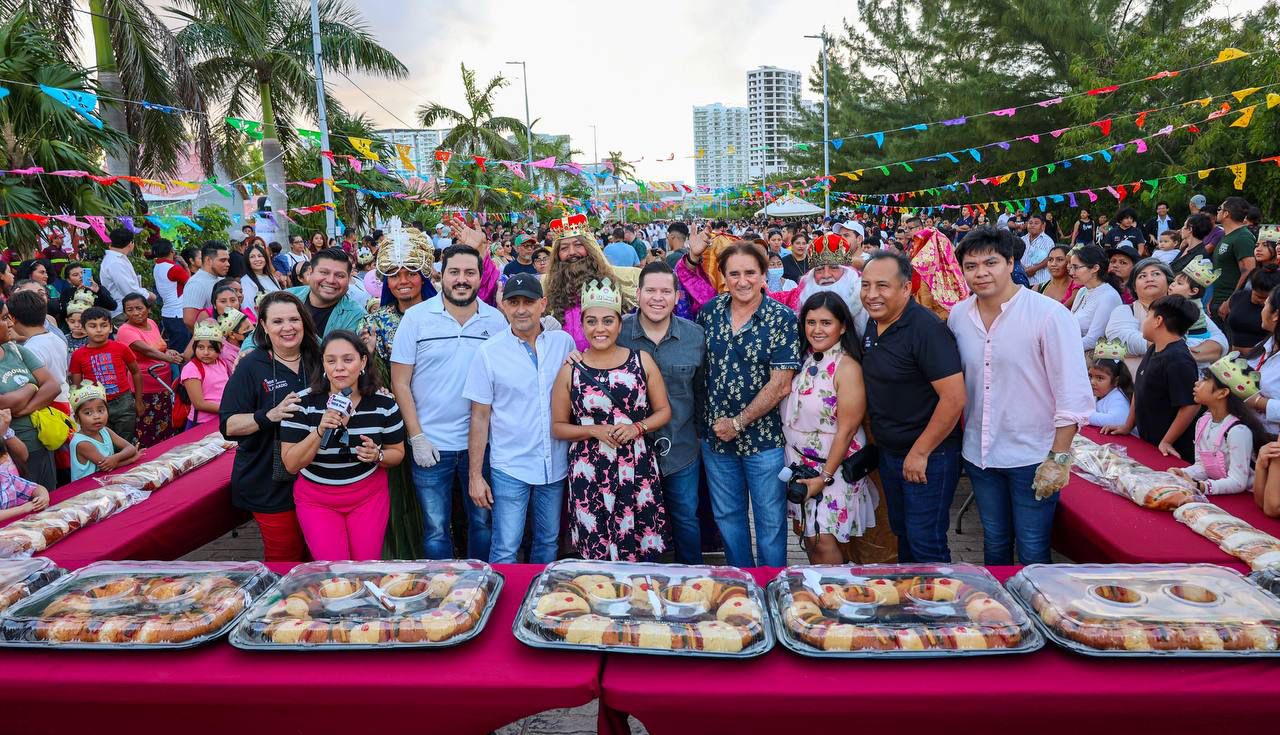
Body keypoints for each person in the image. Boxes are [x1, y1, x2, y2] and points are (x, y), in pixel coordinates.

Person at [949, 227, 1093, 565]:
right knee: (995, 541)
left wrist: (1058, 458)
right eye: (971, 266)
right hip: (980, 454)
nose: (981, 273)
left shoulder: (1049, 315)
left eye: (991, 263)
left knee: (1032, 548)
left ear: (1011, 262)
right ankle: (999, 615)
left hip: (1032, 456)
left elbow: (1072, 392)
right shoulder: (959, 316)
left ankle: (1035, 613)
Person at [391, 244, 506, 560]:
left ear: (480, 277)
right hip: (431, 445)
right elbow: (400, 382)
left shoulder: (496, 322)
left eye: (470, 272)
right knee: (436, 528)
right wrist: (416, 438)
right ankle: (442, 596)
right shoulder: (416, 319)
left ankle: (482, 586)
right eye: (454, 272)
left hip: (480, 447)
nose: (461, 279)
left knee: (482, 523)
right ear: (441, 276)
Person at [552, 278, 672, 561]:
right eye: (591, 321)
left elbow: (664, 411)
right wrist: (594, 430)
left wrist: (636, 427)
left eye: (608, 321)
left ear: (620, 324)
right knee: (597, 544)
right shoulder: (571, 368)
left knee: (638, 542)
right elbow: (557, 426)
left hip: (635, 463)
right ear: (582, 325)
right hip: (589, 469)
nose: (600, 329)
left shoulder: (641, 361)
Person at [695, 242, 798, 567]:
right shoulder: (709, 313)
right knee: (728, 517)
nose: (742, 281)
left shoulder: (781, 318)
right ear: (724, 276)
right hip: (716, 442)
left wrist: (738, 423)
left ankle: (771, 586)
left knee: (770, 522)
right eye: (734, 273)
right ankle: (743, 588)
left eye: (750, 273)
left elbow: (780, 384)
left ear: (764, 274)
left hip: (764, 442)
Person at [860, 251, 965, 563]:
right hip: (891, 454)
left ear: (906, 289)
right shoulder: (873, 322)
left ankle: (939, 609)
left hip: (929, 456)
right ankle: (912, 604)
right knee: (903, 535)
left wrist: (920, 453)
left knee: (926, 543)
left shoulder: (926, 330)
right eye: (865, 286)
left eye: (882, 286)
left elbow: (954, 398)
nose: (872, 294)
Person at [464, 273, 575, 564]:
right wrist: (475, 476)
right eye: (514, 302)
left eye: (529, 301)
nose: (521, 309)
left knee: (548, 542)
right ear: (503, 306)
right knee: (505, 547)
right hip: (510, 466)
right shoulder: (489, 353)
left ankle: (539, 605)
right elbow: (479, 417)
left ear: (543, 304)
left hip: (554, 463)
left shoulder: (563, 344)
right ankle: (506, 606)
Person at [280, 331, 405, 561]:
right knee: (334, 570)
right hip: (316, 500)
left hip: (368, 496)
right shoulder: (301, 403)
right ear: (323, 364)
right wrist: (320, 430)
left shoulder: (384, 404)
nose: (339, 367)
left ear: (363, 361)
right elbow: (290, 464)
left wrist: (377, 455)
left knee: (365, 567)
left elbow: (397, 453)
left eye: (348, 360)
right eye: (331, 360)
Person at [220, 291, 321, 561]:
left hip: (317, 476)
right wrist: (269, 415)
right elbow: (228, 424)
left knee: (319, 552)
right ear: (263, 325)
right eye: (277, 322)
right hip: (269, 480)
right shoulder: (251, 366)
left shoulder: (319, 357)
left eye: (294, 319)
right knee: (285, 555)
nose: (287, 327)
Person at [618, 262, 707, 564]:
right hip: (630, 452)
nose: (658, 298)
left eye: (665, 291)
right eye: (651, 291)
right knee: (635, 522)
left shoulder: (695, 336)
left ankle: (693, 583)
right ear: (638, 293)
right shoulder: (617, 333)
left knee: (685, 518)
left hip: (681, 448)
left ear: (677, 296)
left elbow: (700, 392)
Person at [782, 291, 877, 564]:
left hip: (833, 466)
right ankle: (820, 595)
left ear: (843, 326)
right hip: (799, 462)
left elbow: (847, 430)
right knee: (810, 538)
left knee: (824, 540)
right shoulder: (801, 359)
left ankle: (833, 597)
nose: (817, 329)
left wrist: (824, 477)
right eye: (811, 322)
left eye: (826, 322)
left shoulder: (847, 367)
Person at [1102, 295, 1201, 459]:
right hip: (1148, 440)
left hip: (1170, 450)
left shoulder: (1178, 359)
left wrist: (1167, 441)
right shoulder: (1154, 348)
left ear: (1158, 321)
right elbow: (1139, 388)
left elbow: (1190, 405)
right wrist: (1128, 426)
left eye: (1148, 316)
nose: (1144, 321)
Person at [1170, 354, 1269, 496]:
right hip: (1222, 493)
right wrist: (1182, 473)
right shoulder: (1203, 422)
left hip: (1246, 499)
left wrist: (1201, 486)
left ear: (1222, 393)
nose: (1197, 383)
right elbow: (1203, 466)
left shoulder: (1238, 431)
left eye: (1205, 379)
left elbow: (1238, 482)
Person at [544, 214, 638, 350]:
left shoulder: (609, 282)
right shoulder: (550, 287)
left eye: (578, 245)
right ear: (557, 256)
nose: (572, 252)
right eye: (564, 248)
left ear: (589, 249)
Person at [245, 248, 366, 350]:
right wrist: (247, 350)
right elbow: (257, 335)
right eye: (324, 272)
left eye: (340, 275)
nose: (330, 280)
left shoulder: (356, 315)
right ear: (310, 273)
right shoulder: (287, 297)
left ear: (349, 279)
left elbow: (336, 356)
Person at [116, 293, 182, 446]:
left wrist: (170, 352)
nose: (135, 313)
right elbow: (148, 351)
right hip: (144, 388)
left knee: (164, 424)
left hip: (163, 383)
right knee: (146, 428)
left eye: (139, 308)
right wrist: (169, 359)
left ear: (148, 309)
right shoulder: (125, 330)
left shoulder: (152, 323)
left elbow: (159, 347)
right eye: (130, 310)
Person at [68, 307, 141, 444]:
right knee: (103, 440)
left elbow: (136, 372)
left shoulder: (121, 348)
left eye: (103, 325)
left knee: (126, 439)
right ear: (83, 329)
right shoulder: (78, 355)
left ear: (111, 327)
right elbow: (76, 386)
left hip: (123, 401)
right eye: (92, 326)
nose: (99, 330)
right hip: (95, 404)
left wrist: (138, 400)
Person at [7, 291, 69, 416]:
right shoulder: (56, 337)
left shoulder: (30, 349)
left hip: (49, 406)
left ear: (13, 319)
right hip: (64, 398)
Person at [67, 381, 139, 482]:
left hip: (105, 480)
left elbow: (131, 448)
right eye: (88, 413)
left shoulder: (106, 431)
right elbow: (107, 466)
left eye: (101, 411)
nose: (97, 416)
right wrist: (130, 460)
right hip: (86, 489)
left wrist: (115, 458)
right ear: (77, 418)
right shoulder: (82, 443)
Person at [907, 227, 969, 320]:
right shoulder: (953, 269)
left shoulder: (923, 274)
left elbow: (925, 308)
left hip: (932, 322)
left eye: (918, 243)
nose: (913, 248)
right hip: (955, 318)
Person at [1068, 245, 1123, 351]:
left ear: (1095, 268)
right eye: (1071, 267)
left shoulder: (1108, 296)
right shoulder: (1082, 291)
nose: (1071, 272)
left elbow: (1094, 341)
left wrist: (1059, 346)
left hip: (1094, 356)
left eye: (1076, 267)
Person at [1213, 196, 1258, 319]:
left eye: (1219, 209)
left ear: (1226, 213)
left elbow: (1249, 271)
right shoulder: (1227, 236)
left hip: (1229, 304)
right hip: (1217, 299)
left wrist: (1230, 302)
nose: (1217, 212)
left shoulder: (1242, 237)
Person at [179, 321, 231, 427]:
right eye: (201, 347)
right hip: (201, 423)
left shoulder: (221, 363)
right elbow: (199, 404)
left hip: (222, 418)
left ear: (220, 348)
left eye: (211, 348)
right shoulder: (192, 368)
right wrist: (229, 409)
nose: (206, 352)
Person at [99, 228, 154, 317]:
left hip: (126, 309)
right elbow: (128, 290)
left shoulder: (118, 258)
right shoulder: (115, 262)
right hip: (123, 311)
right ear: (130, 244)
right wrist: (148, 295)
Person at [1226, 265, 1280, 352]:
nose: (1264, 302)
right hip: (1233, 355)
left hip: (1260, 359)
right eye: (1259, 296)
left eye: (1268, 299)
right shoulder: (1238, 297)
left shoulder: (1274, 311)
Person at [150, 240, 191, 351]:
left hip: (168, 312)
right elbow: (192, 284)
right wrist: (186, 266)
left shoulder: (157, 266)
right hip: (178, 313)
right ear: (171, 251)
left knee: (174, 347)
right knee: (181, 350)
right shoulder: (174, 268)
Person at [183, 242, 231, 332]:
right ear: (208, 260)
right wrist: (209, 340)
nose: (228, 264)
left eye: (228, 260)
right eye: (222, 260)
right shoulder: (196, 284)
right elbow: (189, 320)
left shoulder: (220, 278)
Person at [1087, 341, 1134, 427]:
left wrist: (1083, 415)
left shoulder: (1118, 397)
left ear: (1116, 381)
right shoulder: (1098, 393)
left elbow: (1118, 420)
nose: (1092, 382)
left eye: (1100, 378)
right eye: (1090, 376)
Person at [241, 243, 282, 310]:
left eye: (260, 256)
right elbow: (248, 308)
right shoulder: (246, 281)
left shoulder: (271, 277)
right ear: (247, 260)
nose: (257, 259)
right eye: (252, 257)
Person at [1020, 213, 1055, 288]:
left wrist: (1034, 269)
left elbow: (1050, 258)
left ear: (1043, 226)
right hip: (1023, 280)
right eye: (1030, 223)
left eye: (1036, 223)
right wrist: (1023, 269)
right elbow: (1016, 256)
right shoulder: (1022, 240)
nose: (1032, 225)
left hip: (1040, 281)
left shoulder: (1048, 241)